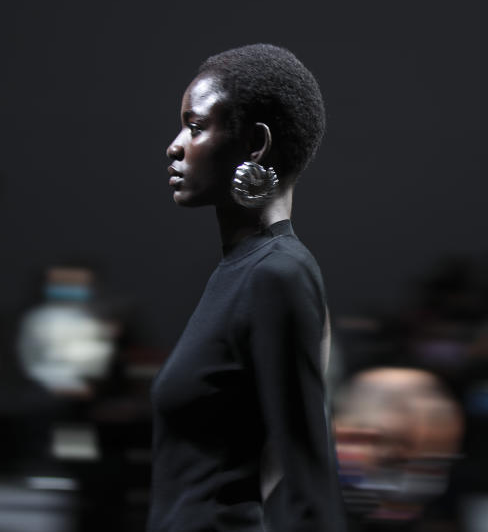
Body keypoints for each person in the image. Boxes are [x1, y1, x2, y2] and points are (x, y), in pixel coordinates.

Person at [149, 44, 347, 531]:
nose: (174, 146)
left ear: (255, 145)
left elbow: (307, 477)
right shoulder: (243, 272)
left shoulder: (277, 274)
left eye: (195, 127)